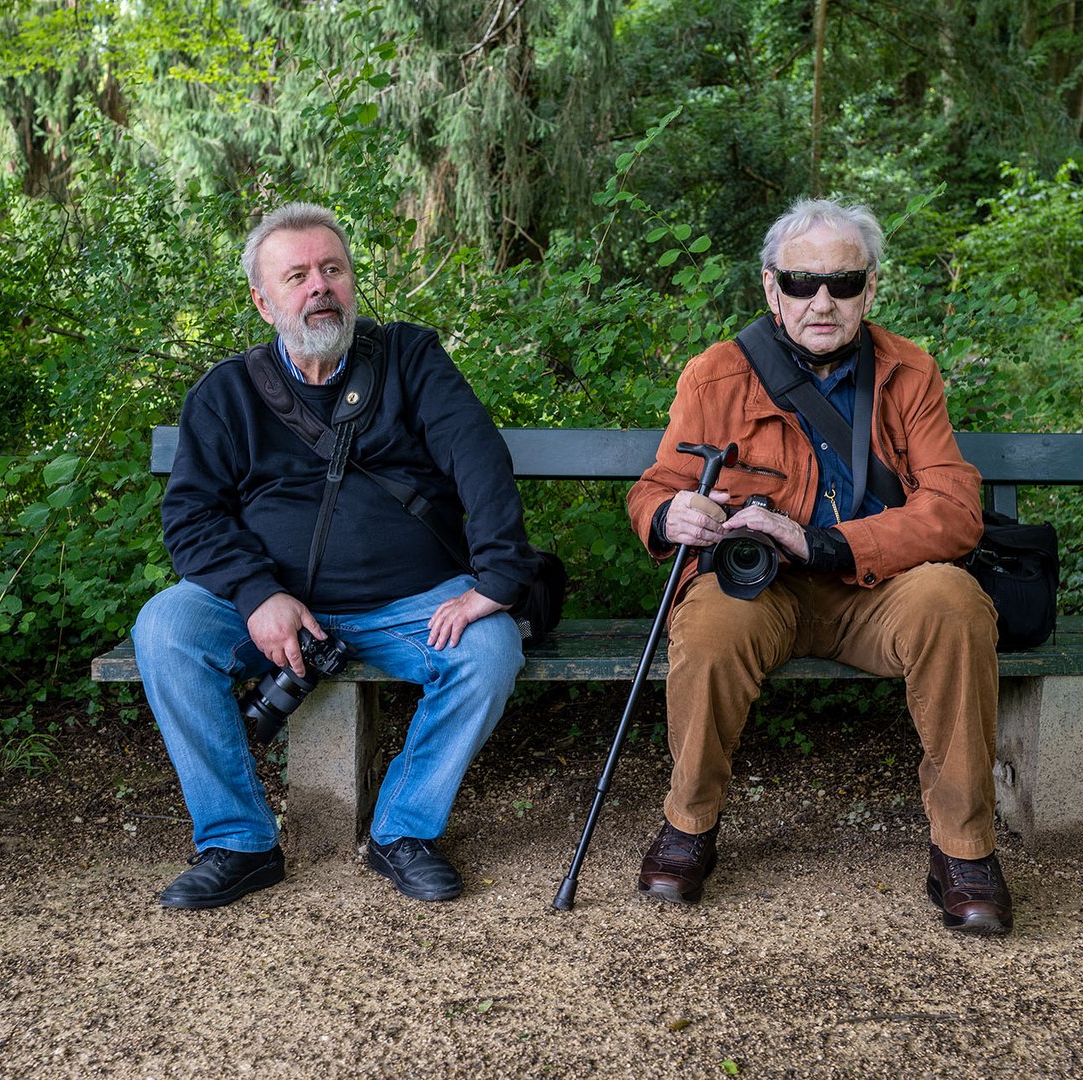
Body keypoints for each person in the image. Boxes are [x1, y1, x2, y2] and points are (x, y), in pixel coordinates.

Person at [625, 198, 1012, 934]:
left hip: (877, 590)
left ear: (871, 288)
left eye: (842, 282)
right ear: (772, 289)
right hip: (757, 591)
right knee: (707, 627)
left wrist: (826, 543)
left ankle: (963, 849)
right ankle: (690, 823)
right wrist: (668, 515)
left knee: (954, 603)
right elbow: (655, 488)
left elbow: (957, 510)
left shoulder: (909, 372)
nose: (822, 301)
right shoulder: (715, 375)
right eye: (802, 283)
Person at [133, 202, 535, 909]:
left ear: (351, 281)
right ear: (264, 301)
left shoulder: (411, 358)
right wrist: (256, 594)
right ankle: (239, 843)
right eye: (297, 276)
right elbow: (191, 518)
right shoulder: (226, 394)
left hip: (410, 602)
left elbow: (480, 460)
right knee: (165, 628)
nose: (320, 286)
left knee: (489, 648)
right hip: (268, 607)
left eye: (333, 269)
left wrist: (498, 579)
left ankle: (402, 832)